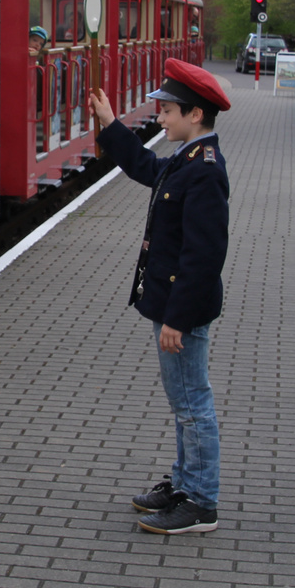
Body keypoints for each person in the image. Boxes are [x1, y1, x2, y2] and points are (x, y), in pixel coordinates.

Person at [90, 59, 231, 535]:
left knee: (193, 405)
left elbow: (203, 257)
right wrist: (111, 126)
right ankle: (185, 482)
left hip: (181, 311)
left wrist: (177, 318)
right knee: (183, 403)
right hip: (174, 307)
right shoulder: (188, 159)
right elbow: (147, 167)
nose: (162, 118)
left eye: (168, 110)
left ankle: (201, 503)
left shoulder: (205, 171)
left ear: (195, 114)